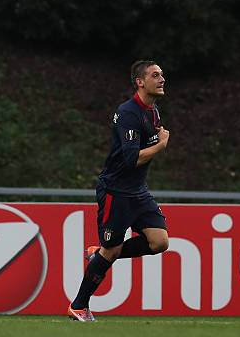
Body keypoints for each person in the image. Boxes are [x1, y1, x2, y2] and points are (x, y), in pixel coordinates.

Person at [68, 60, 170, 322]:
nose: (162, 79)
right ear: (140, 81)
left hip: (138, 191)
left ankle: (100, 253)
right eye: (155, 75)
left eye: (162, 75)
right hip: (116, 191)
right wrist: (161, 146)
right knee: (110, 252)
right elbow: (130, 159)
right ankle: (79, 305)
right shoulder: (128, 113)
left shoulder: (153, 111)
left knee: (159, 242)